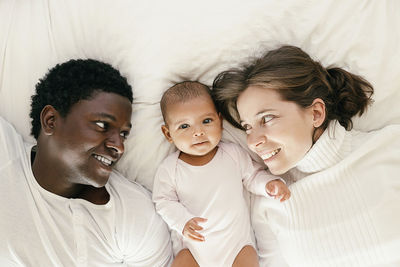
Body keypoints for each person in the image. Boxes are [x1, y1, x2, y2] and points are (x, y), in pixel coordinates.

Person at [211, 45, 400, 267]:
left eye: (266, 118)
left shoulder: (390, 147)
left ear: (316, 113)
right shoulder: (268, 204)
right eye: (247, 127)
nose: (252, 142)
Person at [0, 59, 173, 266]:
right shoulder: (6, 157)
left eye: (124, 134)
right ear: (50, 120)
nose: (119, 146)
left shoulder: (136, 217)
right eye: (102, 125)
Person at [152, 81, 290, 267]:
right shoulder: (170, 168)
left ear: (220, 121)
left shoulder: (232, 154)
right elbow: (163, 201)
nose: (198, 132)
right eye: (184, 126)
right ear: (168, 134)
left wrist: (268, 185)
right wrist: (182, 221)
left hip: (237, 247)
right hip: (194, 250)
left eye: (206, 121)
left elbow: (252, 177)